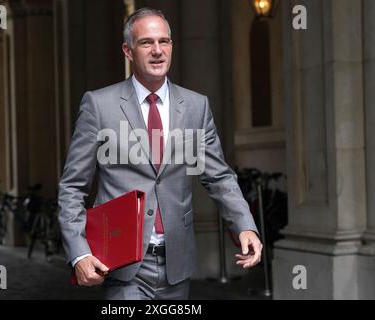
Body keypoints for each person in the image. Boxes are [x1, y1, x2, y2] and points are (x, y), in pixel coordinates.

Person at [58, 7, 262, 300]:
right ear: (128, 51)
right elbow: (72, 186)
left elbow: (218, 177)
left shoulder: (195, 106)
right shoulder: (98, 105)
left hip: (176, 265)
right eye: (146, 43)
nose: (157, 51)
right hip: (121, 266)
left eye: (164, 41)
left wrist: (245, 226)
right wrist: (80, 254)